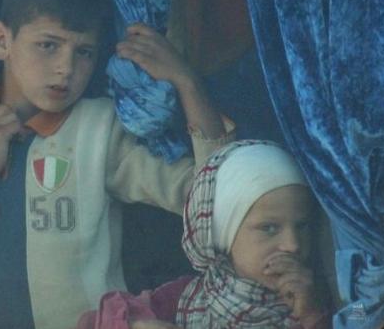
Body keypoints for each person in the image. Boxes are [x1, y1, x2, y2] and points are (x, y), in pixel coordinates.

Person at [0, 0, 234, 329]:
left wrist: (187, 84)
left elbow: (213, 202)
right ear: (1, 40)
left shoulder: (100, 129)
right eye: (48, 45)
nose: (65, 68)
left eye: (83, 52)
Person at [77, 140, 332, 329]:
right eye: (269, 228)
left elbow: (367, 316)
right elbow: (94, 322)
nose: (292, 245)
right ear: (223, 231)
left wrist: (312, 315)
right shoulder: (185, 298)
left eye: (302, 226)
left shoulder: (329, 292)